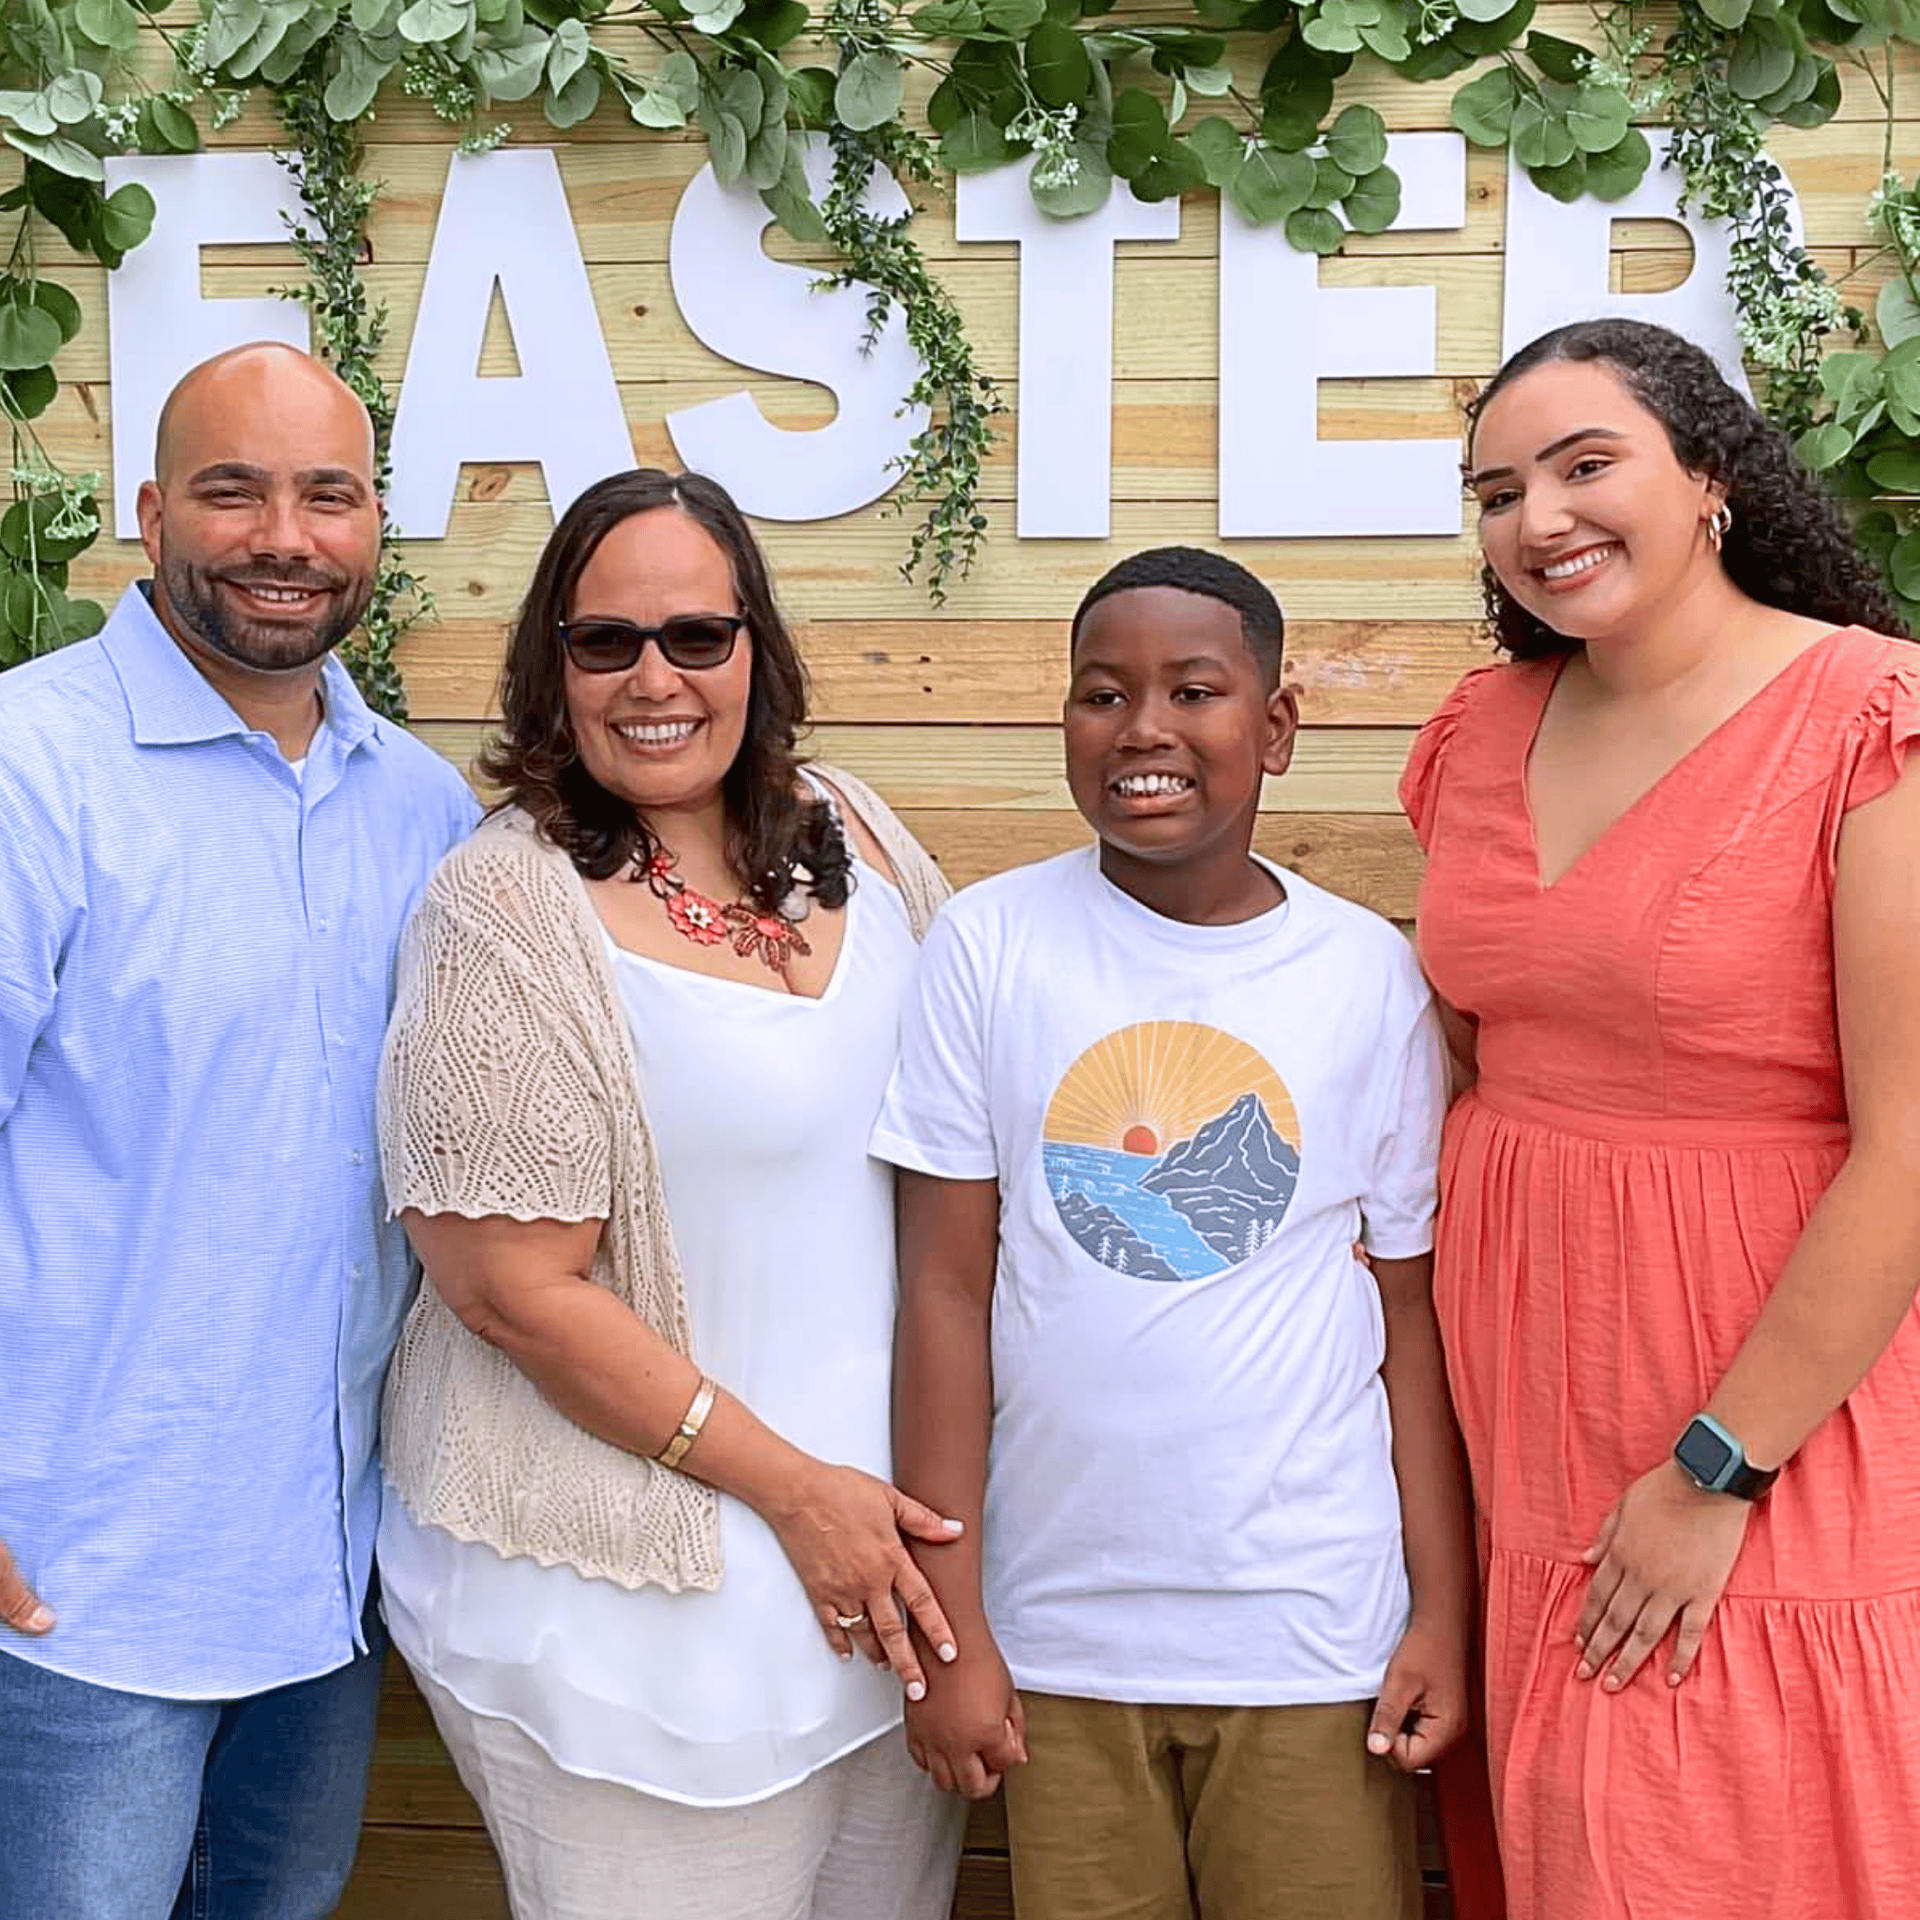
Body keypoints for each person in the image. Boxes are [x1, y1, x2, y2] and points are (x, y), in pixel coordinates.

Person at [374, 467, 968, 1919]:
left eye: (697, 637)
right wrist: (799, 1496)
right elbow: (511, 1293)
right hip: (630, 1613)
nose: (656, 678)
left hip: (887, 1587)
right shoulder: (503, 908)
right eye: (606, 643)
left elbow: (971, 1130)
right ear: (552, 667)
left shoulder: (862, 835)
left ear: (754, 648)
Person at [1401, 317, 1920, 1918]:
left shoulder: (1867, 717)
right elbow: (1486, 1053)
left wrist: (1715, 1471)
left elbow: (1912, 1146)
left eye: (1582, 464)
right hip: (1534, 1391)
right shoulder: (1478, 733)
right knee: (1576, 1847)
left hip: (1762, 1396)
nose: (1537, 518)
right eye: (1498, 490)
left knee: (1739, 1825)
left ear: (1711, 479)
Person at [871, 546, 1474, 1920]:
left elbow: (1408, 1322)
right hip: (1059, 1647)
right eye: (1102, 693)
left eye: (1193, 691)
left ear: (1274, 727)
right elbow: (946, 1296)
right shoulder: (987, 947)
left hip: (1313, 1643)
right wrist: (953, 1628)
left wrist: (1442, 1614)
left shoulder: (1361, 975)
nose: (1143, 728)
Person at [0, 342, 478, 1917]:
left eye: (326, 494)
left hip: (322, 1591)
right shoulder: (31, 766)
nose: (285, 535)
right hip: (73, 1594)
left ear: (374, 526)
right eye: (233, 489)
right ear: (148, 514)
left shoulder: (418, 808)